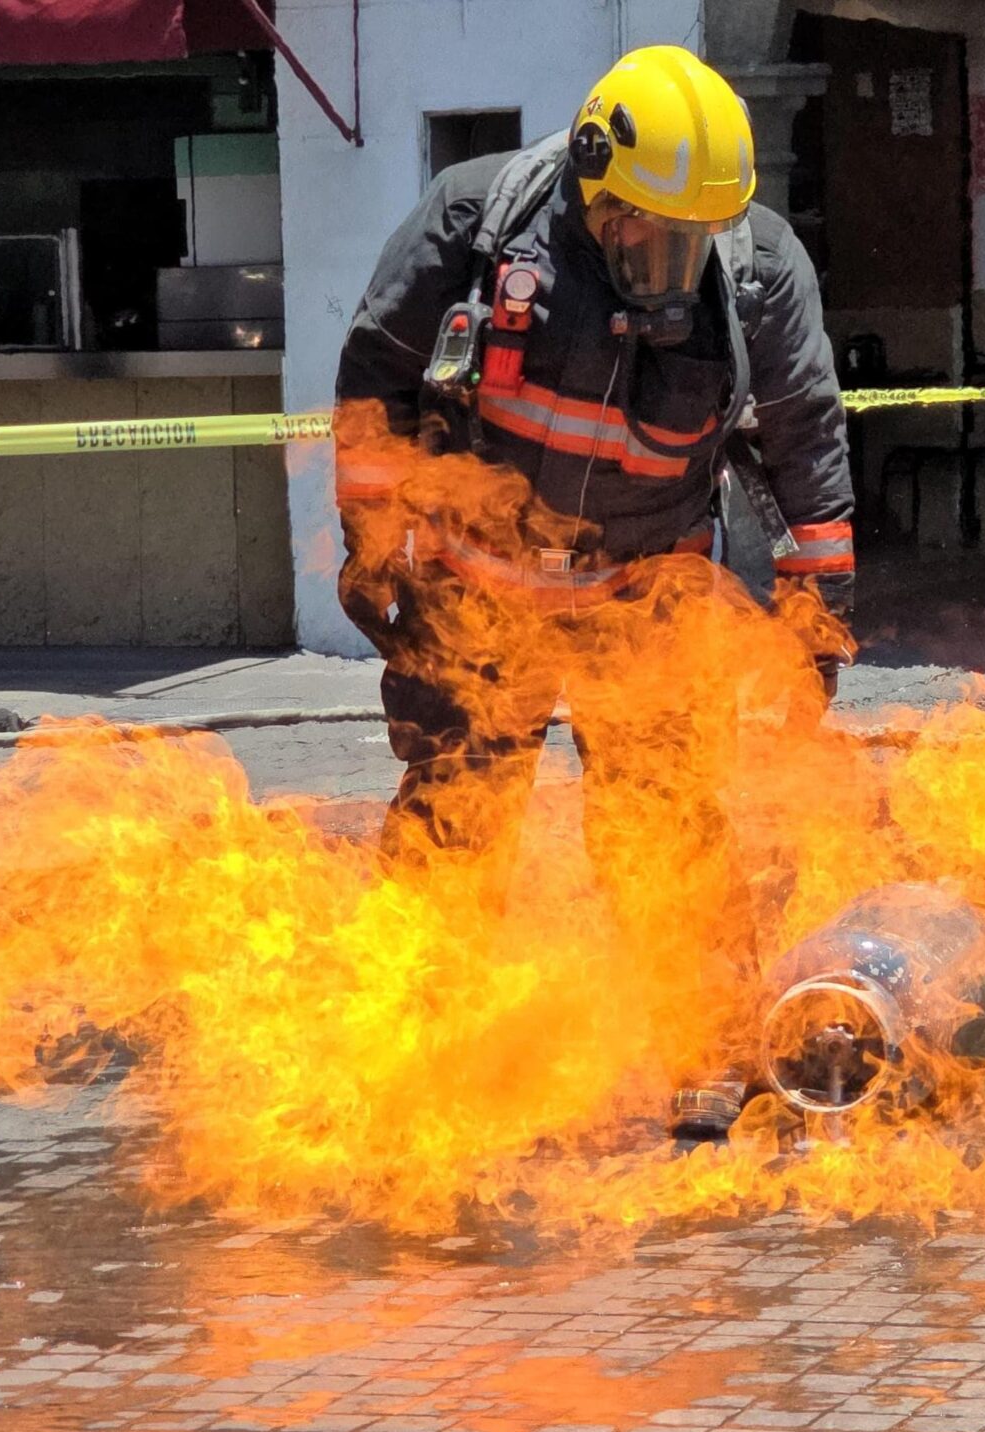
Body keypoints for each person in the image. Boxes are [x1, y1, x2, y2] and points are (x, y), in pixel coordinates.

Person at [331, 45, 855, 1138]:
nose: (668, 262)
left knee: (667, 838)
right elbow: (374, 373)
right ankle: (412, 1067)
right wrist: (370, 537)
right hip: (476, 600)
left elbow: (806, 439)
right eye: (648, 235)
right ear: (592, 185)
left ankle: (708, 1060)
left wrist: (816, 620)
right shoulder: (475, 222)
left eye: (690, 241)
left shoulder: (755, 271)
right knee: (450, 837)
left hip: (642, 598)